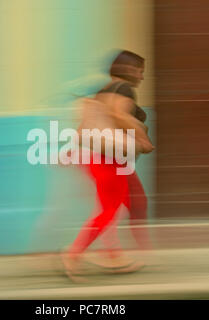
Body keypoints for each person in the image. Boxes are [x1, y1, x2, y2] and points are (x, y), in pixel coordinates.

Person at [61, 50, 155, 282]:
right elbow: (118, 115)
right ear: (129, 70)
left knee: (134, 201)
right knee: (109, 209)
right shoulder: (123, 89)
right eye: (140, 71)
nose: (142, 77)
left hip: (101, 156)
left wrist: (73, 150)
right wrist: (142, 138)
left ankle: (114, 255)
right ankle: (73, 254)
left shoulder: (103, 91)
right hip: (107, 158)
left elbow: (87, 124)